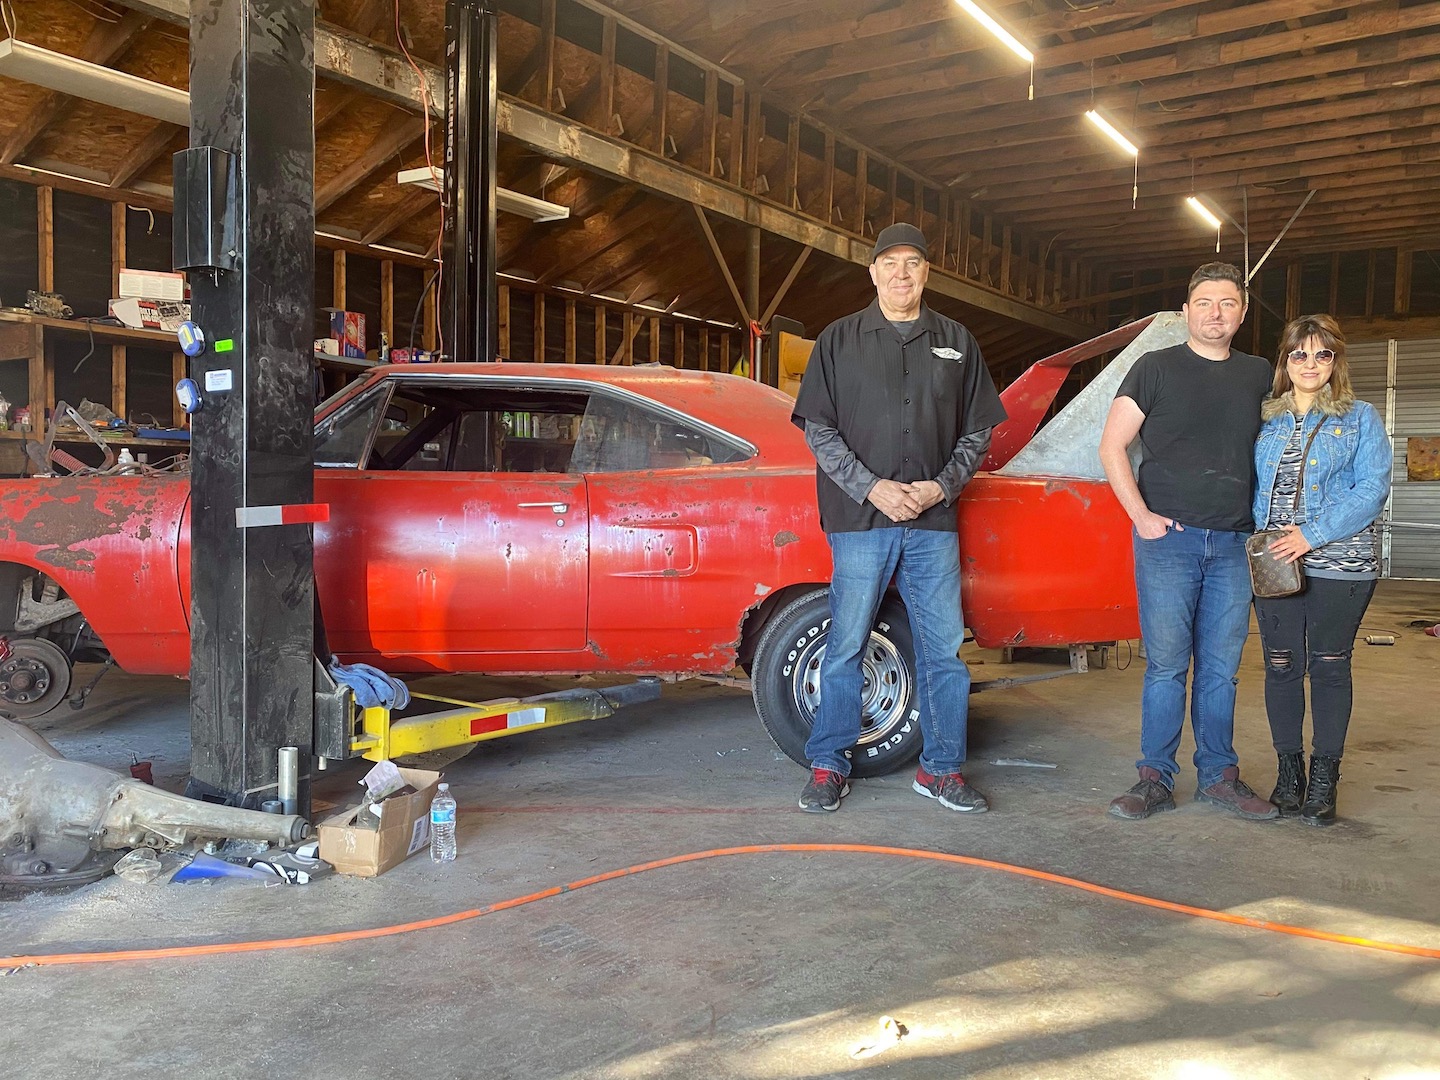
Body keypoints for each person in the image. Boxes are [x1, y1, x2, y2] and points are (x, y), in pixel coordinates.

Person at [789, 222, 1007, 814]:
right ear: (873, 273)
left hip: (932, 524)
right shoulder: (838, 340)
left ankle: (941, 770)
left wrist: (940, 486)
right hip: (861, 521)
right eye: (890, 263)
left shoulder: (957, 341)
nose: (902, 273)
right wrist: (872, 488)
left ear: (926, 272)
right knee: (845, 644)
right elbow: (818, 429)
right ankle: (829, 764)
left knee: (943, 652)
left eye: (913, 263)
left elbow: (978, 431)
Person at [1100, 262, 1278, 821]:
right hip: (1168, 542)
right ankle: (1154, 778)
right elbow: (1112, 446)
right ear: (1185, 312)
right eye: (1204, 302)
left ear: (1241, 314)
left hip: (1233, 544)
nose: (1215, 313)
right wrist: (1141, 517)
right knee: (1167, 666)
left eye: (1227, 303)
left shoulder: (1258, 374)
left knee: (1222, 670)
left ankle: (1219, 776)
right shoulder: (1154, 368)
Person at [1252, 315, 1391, 826]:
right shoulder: (1265, 419)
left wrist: (1312, 534)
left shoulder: (1360, 417)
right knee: (1281, 665)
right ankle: (1289, 773)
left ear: (1336, 361)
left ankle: (1325, 778)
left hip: (1341, 561)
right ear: (1285, 361)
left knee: (1329, 664)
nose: (1310, 364)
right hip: (1276, 564)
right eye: (1300, 354)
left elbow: (1372, 488)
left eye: (1322, 354)